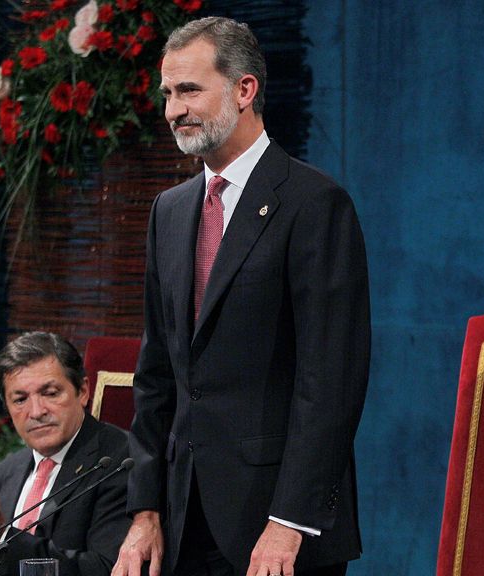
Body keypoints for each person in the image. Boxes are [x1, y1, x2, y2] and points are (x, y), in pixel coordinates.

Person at [111, 16, 370, 576]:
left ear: (245, 89)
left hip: (276, 530)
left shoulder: (314, 203)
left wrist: (289, 522)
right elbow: (157, 375)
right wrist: (145, 508)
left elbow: (331, 380)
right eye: (167, 94)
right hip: (183, 524)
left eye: (189, 90)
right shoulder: (171, 211)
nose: (172, 110)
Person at [0, 332, 131, 576]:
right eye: (20, 399)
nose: (36, 411)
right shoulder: (7, 471)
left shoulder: (119, 461)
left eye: (50, 393)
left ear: (83, 391)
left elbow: (106, 568)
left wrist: (1, 539)